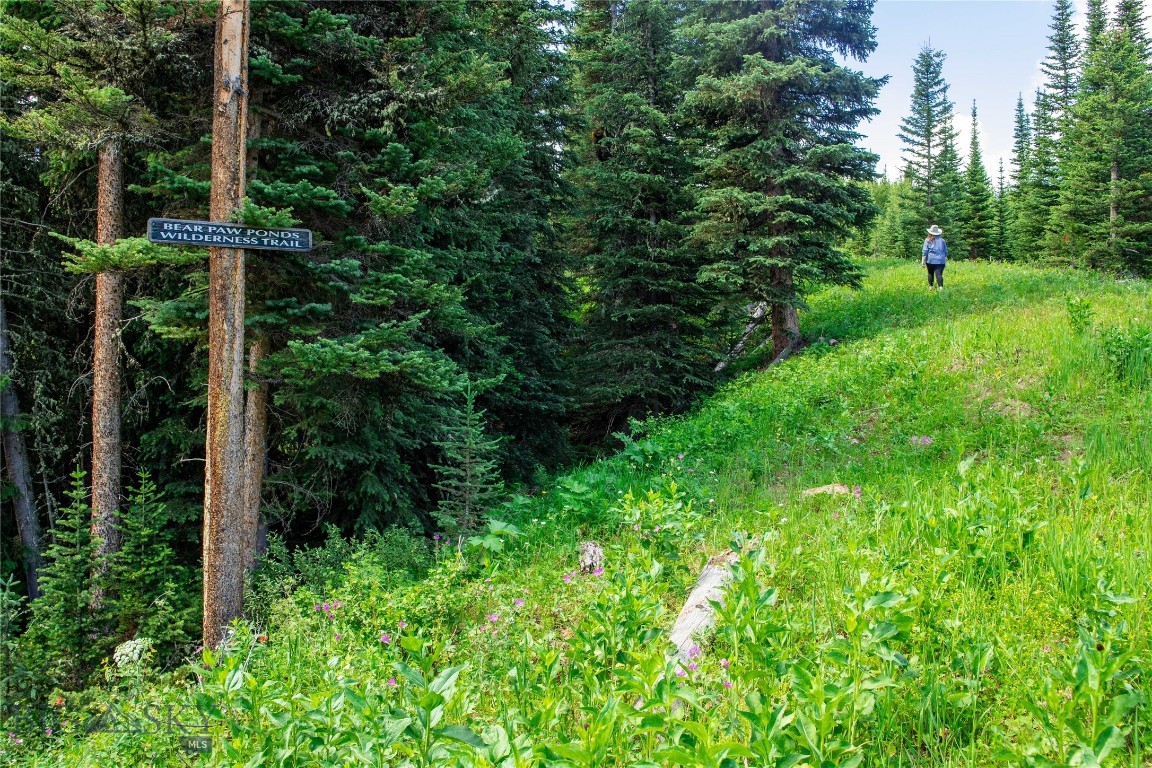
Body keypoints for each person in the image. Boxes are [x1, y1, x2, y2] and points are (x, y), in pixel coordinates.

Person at [922, 224, 947, 290]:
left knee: (930, 273)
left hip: (930, 260)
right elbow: (945, 251)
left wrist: (923, 261)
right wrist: (945, 260)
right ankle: (941, 288)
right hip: (941, 260)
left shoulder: (927, 240)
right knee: (939, 274)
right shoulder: (942, 240)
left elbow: (925, 251)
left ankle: (931, 287)